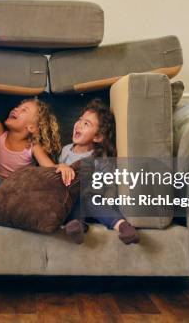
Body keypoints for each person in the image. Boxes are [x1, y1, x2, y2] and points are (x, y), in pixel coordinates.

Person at [0, 46, 65, 199]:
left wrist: (60, 167)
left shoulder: (32, 147)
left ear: (32, 127)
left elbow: (49, 168)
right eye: (17, 107)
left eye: (24, 110)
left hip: (20, 194)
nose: (16, 109)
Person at [56, 99, 140, 245]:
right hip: (72, 200)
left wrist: (109, 200)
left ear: (98, 137)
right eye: (80, 120)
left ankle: (124, 227)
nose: (78, 125)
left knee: (91, 201)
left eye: (86, 124)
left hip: (94, 201)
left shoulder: (99, 158)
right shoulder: (65, 151)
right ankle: (77, 228)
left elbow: (110, 183)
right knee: (74, 203)